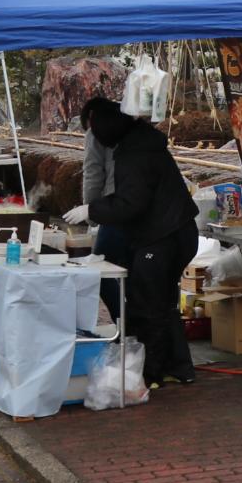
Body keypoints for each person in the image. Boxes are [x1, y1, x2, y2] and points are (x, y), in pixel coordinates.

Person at [85, 97, 198, 388]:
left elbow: (131, 203)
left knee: (148, 304)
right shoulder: (139, 142)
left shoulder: (135, 153)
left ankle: (151, 373)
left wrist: (90, 209)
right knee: (161, 302)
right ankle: (180, 368)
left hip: (163, 238)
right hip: (173, 233)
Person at [78, 96, 128, 267]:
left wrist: (90, 212)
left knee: (100, 270)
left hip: (115, 209)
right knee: (129, 270)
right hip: (144, 211)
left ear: (91, 117)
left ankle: (118, 295)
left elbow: (93, 174)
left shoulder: (96, 132)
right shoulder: (136, 129)